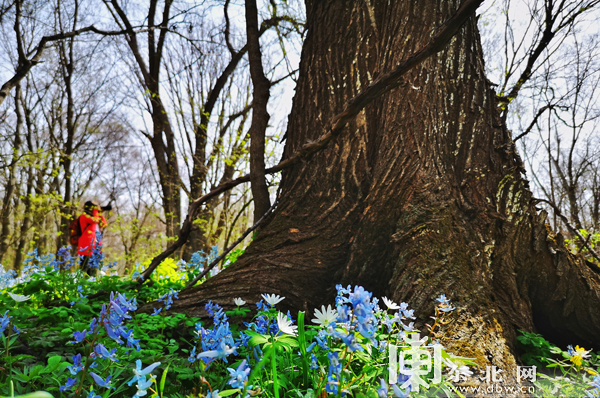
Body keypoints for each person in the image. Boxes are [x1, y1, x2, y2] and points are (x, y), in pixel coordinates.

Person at [77, 201, 108, 276]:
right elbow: (95, 220)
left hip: (95, 246)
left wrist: (99, 213)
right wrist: (96, 211)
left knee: (93, 269)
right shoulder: (84, 216)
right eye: (93, 207)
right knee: (85, 267)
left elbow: (104, 224)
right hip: (86, 246)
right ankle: (82, 283)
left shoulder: (95, 217)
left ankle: (91, 283)